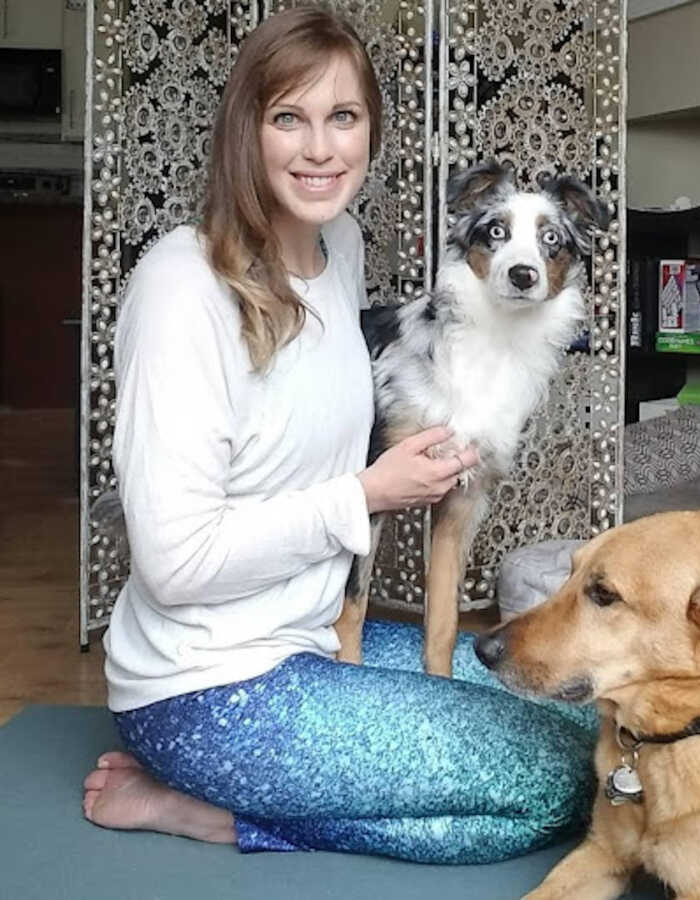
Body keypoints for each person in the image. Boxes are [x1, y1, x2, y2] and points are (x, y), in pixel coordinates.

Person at [82, 4, 596, 864]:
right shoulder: (179, 285)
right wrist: (365, 496)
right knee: (554, 783)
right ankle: (203, 811)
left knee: (578, 709)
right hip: (212, 689)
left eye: (342, 117)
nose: (320, 148)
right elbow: (173, 565)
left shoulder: (340, 246)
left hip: (314, 639)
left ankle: (271, 793)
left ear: (370, 132)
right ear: (247, 130)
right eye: (289, 117)